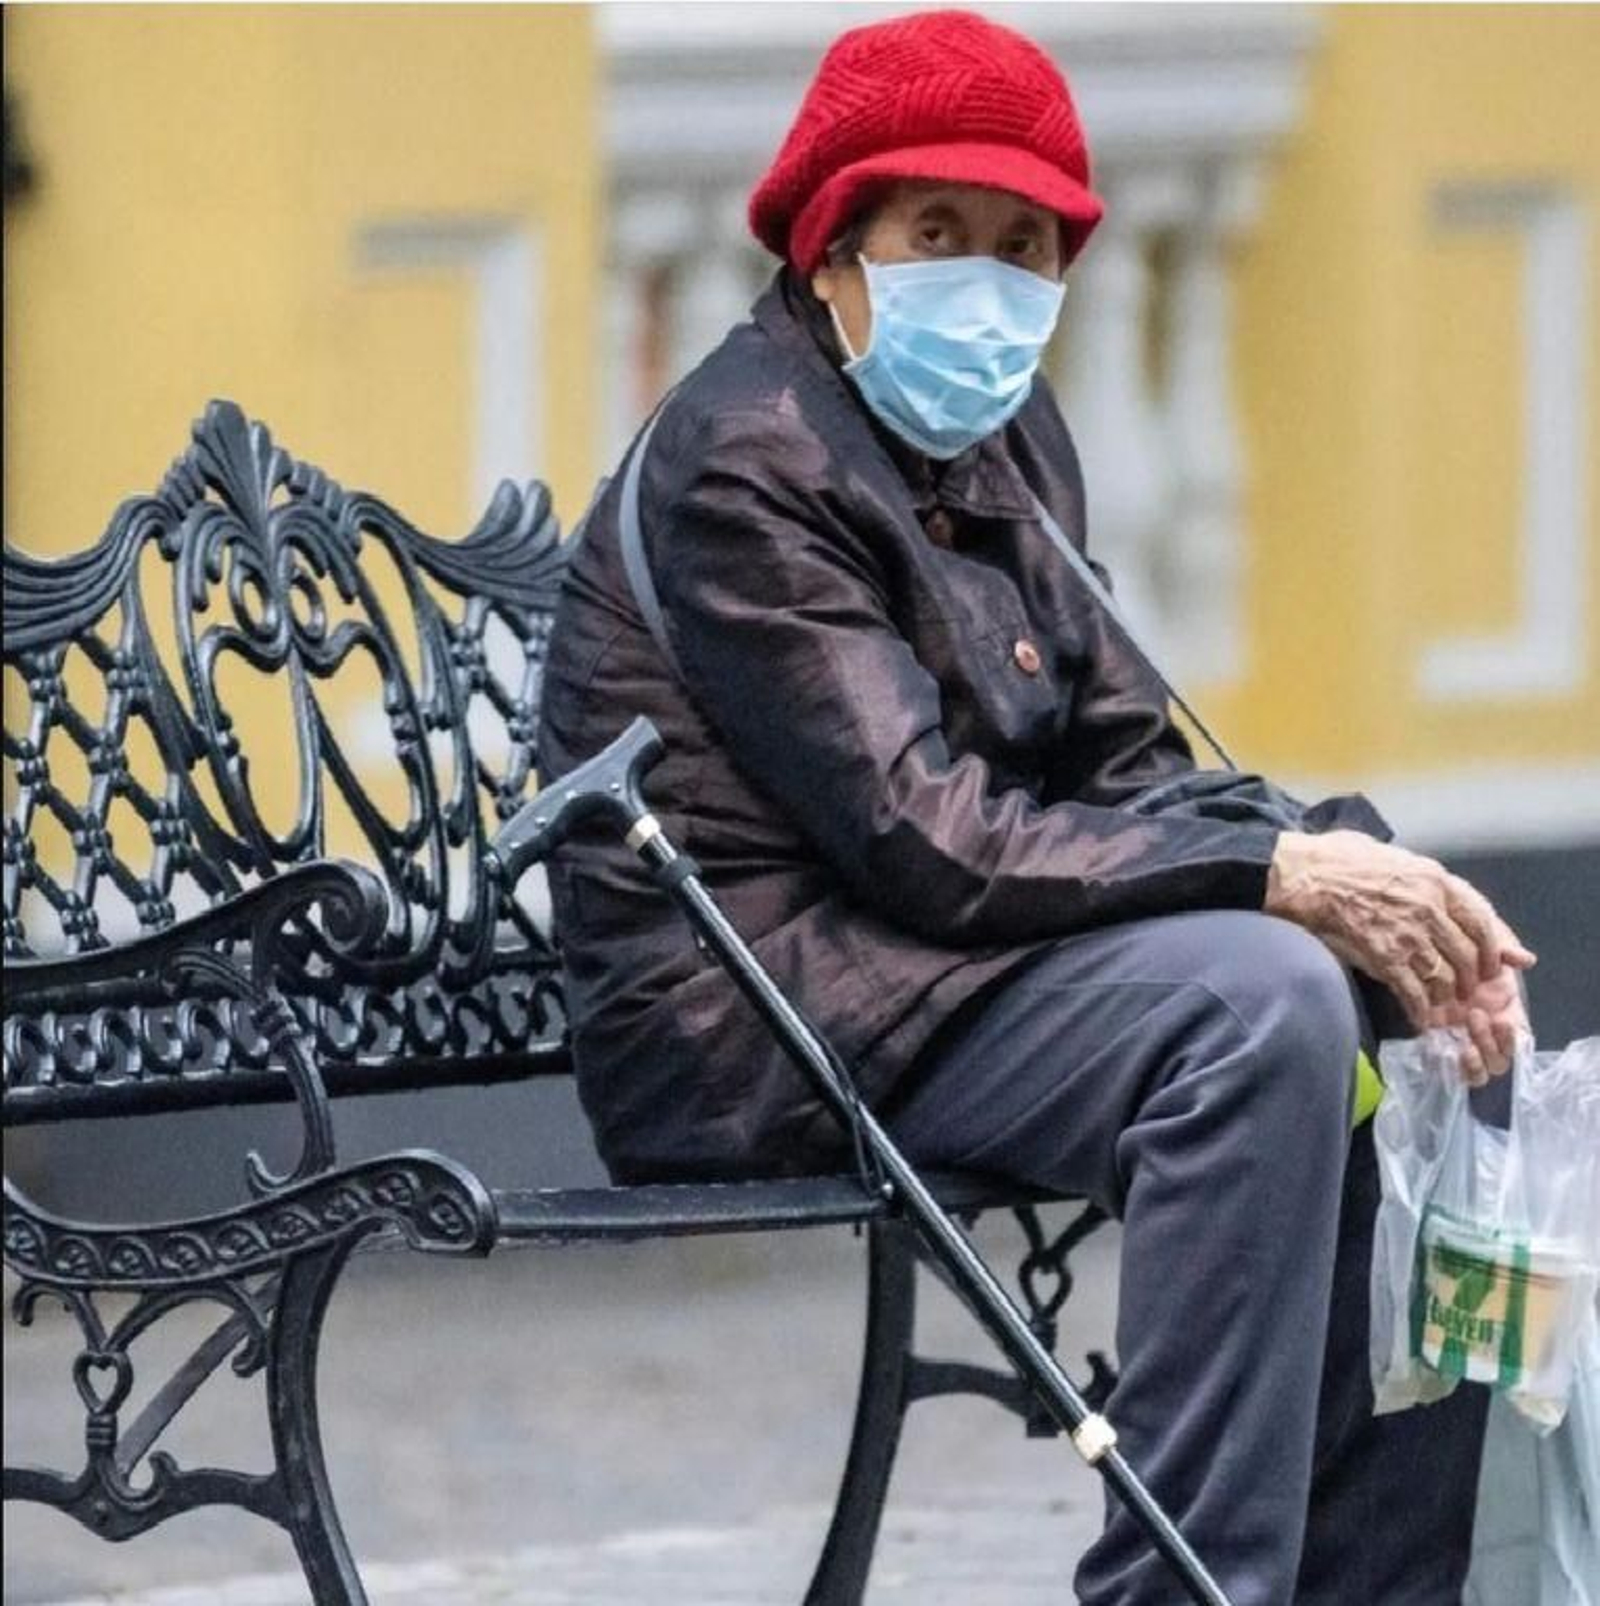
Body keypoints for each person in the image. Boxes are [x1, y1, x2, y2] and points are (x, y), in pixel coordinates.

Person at [536, 11, 1533, 1603]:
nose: (988, 283)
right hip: (762, 1015)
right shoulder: (747, 459)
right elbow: (924, 832)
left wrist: (1351, 862)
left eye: (1025, 244)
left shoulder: (1003, 434)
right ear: (834, 246)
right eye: (940, 233)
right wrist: (1273, 875)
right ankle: (1189, 1583)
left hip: (935, 971)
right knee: (1261, 1005)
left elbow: (1121, 756)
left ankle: (1378, 1582)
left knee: (1413, 971)